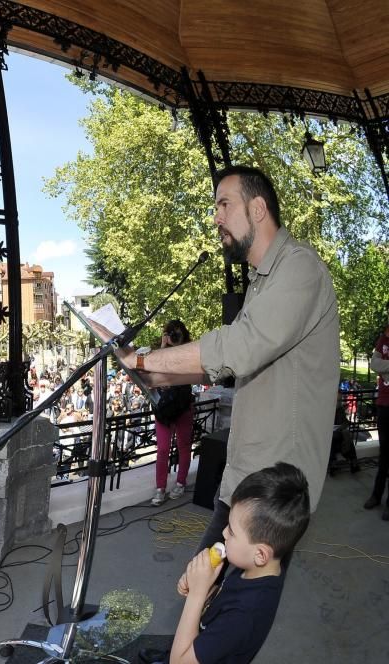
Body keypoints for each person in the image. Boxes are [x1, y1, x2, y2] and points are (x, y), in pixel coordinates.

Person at [103, 165, 339, 551]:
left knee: (224, 606)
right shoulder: (261, 281)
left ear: (258, 209)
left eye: (224, 204)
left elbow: (238, 348)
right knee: (205, 595)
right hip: (245, 479)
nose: (216, 218)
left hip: (273, 491)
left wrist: (146, 361)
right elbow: (232, 366)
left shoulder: (299, 268)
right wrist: (155, 375)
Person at [168, 463, 310, 664]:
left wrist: (196, 596)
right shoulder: (255, 571)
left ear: (260, 554)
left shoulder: (244, 616)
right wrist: (206, 587)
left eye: (232, 531)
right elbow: (226, 598)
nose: (224, 532)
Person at [150, 320, 196, 506]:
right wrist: (162, 347)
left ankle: (180, 482)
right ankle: (160, 487)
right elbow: (152, 372)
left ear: (184, 335)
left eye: (177, 334)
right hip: (164, 409)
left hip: (183, 406)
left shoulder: (191, 352)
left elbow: (191, 373)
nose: (174, 338)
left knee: (184, 446)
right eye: (171, 334)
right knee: (162, 449)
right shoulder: (160, 352)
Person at [364, 322, 389, 520]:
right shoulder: (383, 341)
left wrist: (384, 368)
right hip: (383, 404)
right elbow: (374, 364)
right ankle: (376, 496)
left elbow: (380, 366)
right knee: (384, 454)